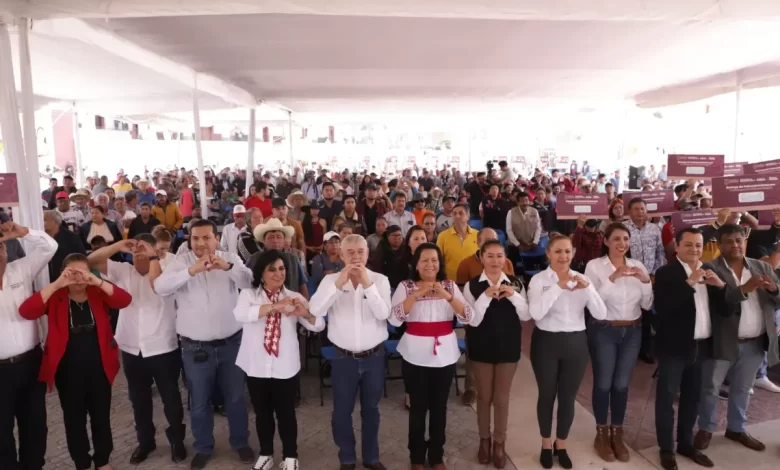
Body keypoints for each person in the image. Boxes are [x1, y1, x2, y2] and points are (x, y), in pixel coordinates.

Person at [153, 219, 255, 469]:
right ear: (189, 239)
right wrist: (191, 271)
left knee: (235, 398)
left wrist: (228, 267)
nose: (200, 243)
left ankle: (240, 442)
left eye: (206, 237)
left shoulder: (229, 257)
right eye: (195, 238)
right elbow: (160, 287)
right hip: (195, 347)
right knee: (199, 401)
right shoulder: (182, 262)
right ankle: (204, 446)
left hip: (232, 343)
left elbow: (249, 283)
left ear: (216, 239)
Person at [19, 253, 132, 470]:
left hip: (99, 365)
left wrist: (97, 281)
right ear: (63, 273)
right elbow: (27, 311)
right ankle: (81, 462)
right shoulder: (57, 295)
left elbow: (124, 300)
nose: (79, 278)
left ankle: (102, 460)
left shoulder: (97, 291)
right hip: (67, 369)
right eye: (72, 273)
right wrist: (57, 284)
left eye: (83, 272)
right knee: (74, 419)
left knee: (101, 416)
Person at [87, 236, 187, 464]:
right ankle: (145, 441)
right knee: (139, 400)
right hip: (132, 347)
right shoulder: (123, 270)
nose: (139, 255)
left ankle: (176, 440)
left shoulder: (168, 273)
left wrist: (152, 256)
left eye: (144, 250)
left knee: (171, 398)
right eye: (135, 251)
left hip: (163, 346)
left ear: (156, 252)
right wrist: (117, 246)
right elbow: (91, 260)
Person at [389, 243, 483, 470]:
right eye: (425, 260)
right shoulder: (406, 286)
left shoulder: (449, 286)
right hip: (414, 355)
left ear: (440, 263)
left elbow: (470, 317)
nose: (430, 264)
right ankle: (416, 457)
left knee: (439, 408)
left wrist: (447, 296)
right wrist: (416, 295)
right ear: (416, 264)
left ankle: (436, 455)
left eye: (434, 260)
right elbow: (394, 319)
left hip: (444, 355)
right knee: (417, 408)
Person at [234, 250, 325, 470]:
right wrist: (276, 306)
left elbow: (318, 325)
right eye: (272, 269)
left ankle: (290, 456)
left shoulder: (295, 296)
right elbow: (241, 315)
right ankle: (266, 453)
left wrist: (305, 314)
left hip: (285, 365)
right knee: (262, 413)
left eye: (282, 268)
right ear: (261, 274)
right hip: (256, 365)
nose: (278, 274)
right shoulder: (249, 295)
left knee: (286, 413)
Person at [694, 224, 780, 454]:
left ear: (745, 242)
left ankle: (736, 428)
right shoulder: (710, 268)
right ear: (720, 245)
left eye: (739, 240)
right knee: (711, 387)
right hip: (722, 341)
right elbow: (720, 304)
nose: (735, 245)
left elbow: (778, 300)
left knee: (743, 388)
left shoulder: (762, 266)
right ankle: (706, 428)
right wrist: (745, 288)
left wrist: (774, 289)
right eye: (729, 241)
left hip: (755, 342)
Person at [310, 235, 391, 470]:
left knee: (371, 410)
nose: (356, 257)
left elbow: (384, 314)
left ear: (367, 254)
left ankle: (371, 457)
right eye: (350, 252)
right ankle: (346, 457)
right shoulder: (331, 280)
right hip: (343, 358)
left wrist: (367, 285)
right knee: (341, 412)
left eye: (360, 252)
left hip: (374, 357)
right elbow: (315, 309)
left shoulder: (380, 280)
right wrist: (338, 285)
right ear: (341, 255)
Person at [527, 233, 607, 469]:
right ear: (548, 253)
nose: (563, 256)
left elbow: (601, 314)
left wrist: (588, 289)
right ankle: (545, 443)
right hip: (546, 343)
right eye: (558, 251)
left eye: (567, 251)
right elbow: (536, 313)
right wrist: (559, 286)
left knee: (567, 397)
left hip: (576, 343)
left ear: (573, 253)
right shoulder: (539, 280)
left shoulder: (582, 279)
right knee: (546, 395)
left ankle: (561, 444)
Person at [653, 227, 725, 470]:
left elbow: (725, 310)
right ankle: (666, 448)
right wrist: (690, 282)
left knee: (692, 398)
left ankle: (685, 443)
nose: (694, 249)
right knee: (666, 398)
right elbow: (664, 308)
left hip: (701, 346)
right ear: (677, 246)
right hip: (674, 347)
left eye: (698, 245)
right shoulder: (666, 272)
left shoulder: (710, 270)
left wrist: (721, 287)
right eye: (689, 244)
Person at [584, 223, 653, 462]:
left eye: (625, 239)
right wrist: (612, 278)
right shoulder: (595, 266)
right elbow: (593, 302)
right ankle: (601, 434)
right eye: (616, 239)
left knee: (622, 385)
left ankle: (617, 433)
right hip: (604, 330)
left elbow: (646, 305)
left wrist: (646, 281)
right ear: (606, 241)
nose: (622, 243)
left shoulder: (638, 266)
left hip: (632, 331)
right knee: (604, 384)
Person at [461, 240, 527, 468]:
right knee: (484, 397)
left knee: (501, 399)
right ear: (481, 257)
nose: (495, 261)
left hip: (508, 347)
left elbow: (526, 315)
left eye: (499, 256)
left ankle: (499, 442)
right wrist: (486, 296)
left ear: (505, 258)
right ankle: (484, 440)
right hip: (481, 347)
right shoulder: (472, 286)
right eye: (490, 255)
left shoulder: (516, 282)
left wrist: (513, 295)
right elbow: (472, 320)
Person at [0, 222, 56, 470]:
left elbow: (49, 247)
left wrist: (25, 233)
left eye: (0, 247)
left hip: (30, 364)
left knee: (35, 426)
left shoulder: (20, 269)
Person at [624, 197, 666, 364]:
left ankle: (645, 349)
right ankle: (628, 349)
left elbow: (660, 253)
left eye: (642, 208)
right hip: (628, 278)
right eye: (636, 209)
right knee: (630, 314)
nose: (640, 212)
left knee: (647, 316)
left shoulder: (655, 229)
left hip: (649, 279)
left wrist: (654, 274)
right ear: (629, 211)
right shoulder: (624, 228)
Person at [247, 218, 310, 299]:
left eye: (279, 237)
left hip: (290, 304)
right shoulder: (254, 259)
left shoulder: (293, 259)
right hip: (262, 304)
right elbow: (246, 284)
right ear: (264, 241)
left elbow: (302, 285)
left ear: (284, 240)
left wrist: (304, 303)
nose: (275, 240)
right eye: (271, 237)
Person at [437, 204, 479, 282]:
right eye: (454, 213)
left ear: (468, 216)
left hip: (474, 281)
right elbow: (438, 260)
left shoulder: (478, 235)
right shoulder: (442, 236)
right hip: (450, 282)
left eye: (461, 213)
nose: (457, 216)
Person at [43, 210, 87, 281]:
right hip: (45, 279)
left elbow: (82, 258)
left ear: (55, 222)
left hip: (67, 278)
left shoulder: (72, 237)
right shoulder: (40, 237)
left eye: (44, 220)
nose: (41, 222)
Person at [506, 191, 542, 259]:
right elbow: (509, 231)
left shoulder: (534, 211)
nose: (525, 203)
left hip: (531, 244)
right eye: (522, 201)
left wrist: (535, 242)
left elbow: (538, 228)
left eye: (526, 200)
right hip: (515, 245)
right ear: (517, 202)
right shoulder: (511, 212)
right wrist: (518, 244)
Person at [369, 224, 405, 288]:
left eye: (399, 235)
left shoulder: (406, 247)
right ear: (388, 236)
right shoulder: (382, 247)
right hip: (386, 283)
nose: (397, 238)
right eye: (394, 235)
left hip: (404, 283)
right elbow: (377, 267)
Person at [302, 199, 327, 269]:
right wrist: (308, 247)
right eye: (313, 209)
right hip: (307, 251)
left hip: (320, 251)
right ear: (309, 210)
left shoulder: (323, 221)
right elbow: (302, 239)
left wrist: (322, 246)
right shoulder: (303, 223)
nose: (315, 211)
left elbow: (325, 237)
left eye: (316, 209)